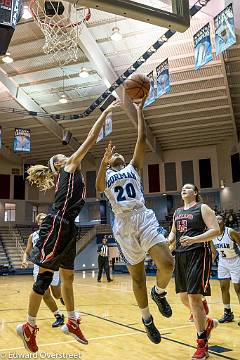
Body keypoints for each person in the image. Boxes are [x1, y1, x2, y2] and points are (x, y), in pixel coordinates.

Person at [16, 100, 121, 353]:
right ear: (60, 164)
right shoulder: (70, 166)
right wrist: (104, 112)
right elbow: (91, 137)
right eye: (63, 156)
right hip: (56, 225)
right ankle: (28, 326)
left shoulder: (72, 174)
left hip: (68, 228)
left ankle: (72, 320)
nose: (68, 155)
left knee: (69, 277)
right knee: (43, 278)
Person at [96, 98, 174, 344]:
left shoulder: (132, 166)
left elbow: (141, 140)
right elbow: (98, 187)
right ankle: (147, 319)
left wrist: (139, 111)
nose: (117, 153)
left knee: (167, 263)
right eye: (113, 154)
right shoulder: (107, 175)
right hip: (123, 225)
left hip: (143, 217)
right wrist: (102, 162)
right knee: (137, 277)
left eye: (118, 152)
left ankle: (159, 293)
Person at [168, 183, 220, 360]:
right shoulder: (177, 212)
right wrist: (165, 244)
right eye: (182, 188)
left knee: (194, 298)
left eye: (188, 188)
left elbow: (216, 230)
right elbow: (173, 234)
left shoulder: (202, 208)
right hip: (181, 256)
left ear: (196, 192)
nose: (183, 189)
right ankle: (207, 322)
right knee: (183, 296)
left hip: (199, 254)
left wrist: (195, 239)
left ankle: (201, 343)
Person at [21, 213, 65, 328]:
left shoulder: (53, 233)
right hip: (38, 268)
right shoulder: (33, 236)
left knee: (56, 294)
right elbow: (27, 251)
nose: (43, 220)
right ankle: (58, 316)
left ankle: (61, 296)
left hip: (52, 266)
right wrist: (24, 260)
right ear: (38, 222)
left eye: (45, 218)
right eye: (40, 219)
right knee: (45, 294)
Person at [211, 215, 240, 325]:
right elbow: (214, 253)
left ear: (224, 222)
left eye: (219, 219)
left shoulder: (231, 232)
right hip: (223, 262)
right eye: (215, 219)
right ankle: (227, 313)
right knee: (223, 287)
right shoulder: (212, 235)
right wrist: (208, 265)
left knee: (238, 288)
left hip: (236, 260)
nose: (217, 220)